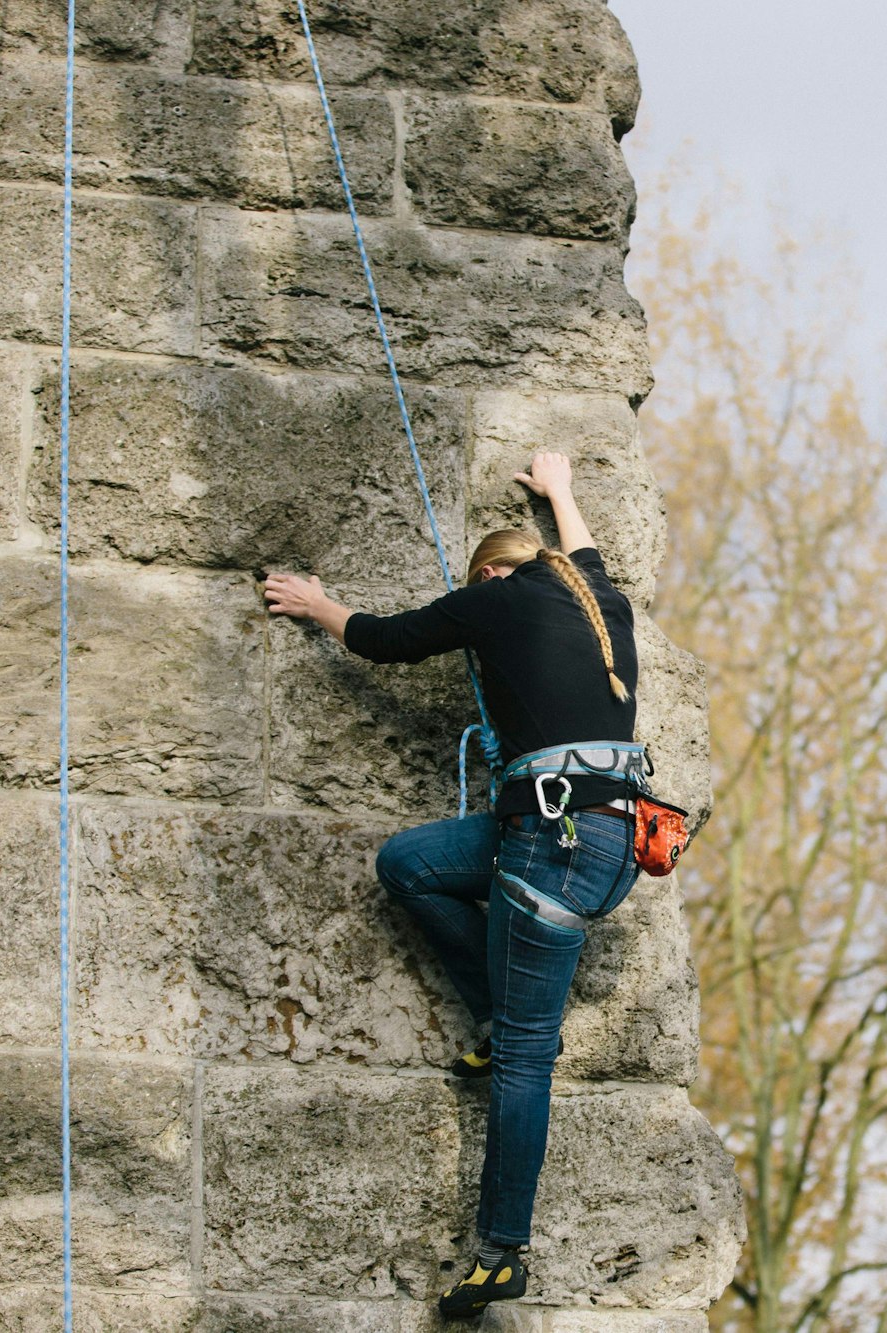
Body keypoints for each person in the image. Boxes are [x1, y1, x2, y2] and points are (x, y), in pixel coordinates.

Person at [263, 452, 640, 1321]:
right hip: (598, 836)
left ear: (491, 574)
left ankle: (503, 1250)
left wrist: (315, 600)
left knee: (523, 1057)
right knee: (410, 863)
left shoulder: (495, 598)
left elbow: (387, 637)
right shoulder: (597, 600)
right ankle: (499, 1005)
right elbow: (584, 554)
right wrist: (561, 490)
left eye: (478, 579)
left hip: (552, 839)